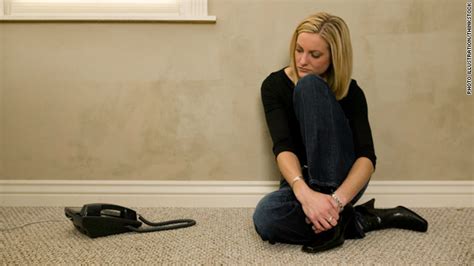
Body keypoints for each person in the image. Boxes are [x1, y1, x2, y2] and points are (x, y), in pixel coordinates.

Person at [253, 12, 428, 253]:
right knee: (266, 217)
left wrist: (335, 201)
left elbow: (367, 159)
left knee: (310, 86)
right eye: (299, 49)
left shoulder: (352, 92)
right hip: (299, 179)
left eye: (315, 55)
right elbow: (283, 147)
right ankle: (356, 220)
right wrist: (305, 195)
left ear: (334, 57)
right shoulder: (273, 86)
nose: (303, 61)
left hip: (344, 182)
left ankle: (333, 216)